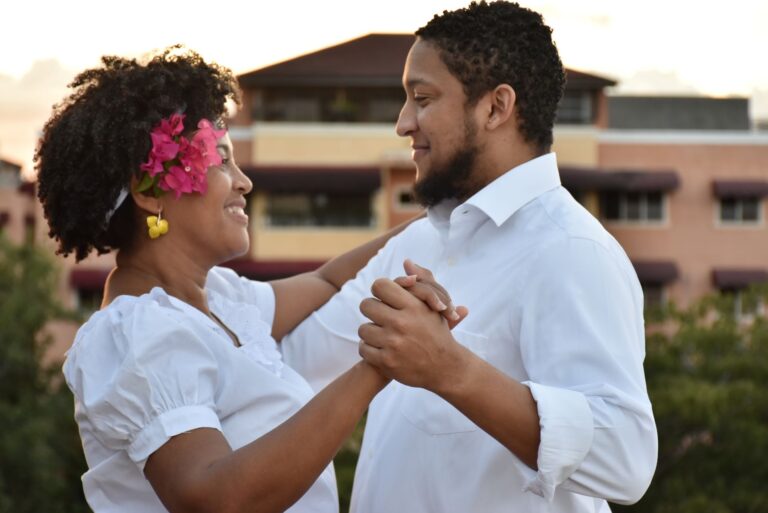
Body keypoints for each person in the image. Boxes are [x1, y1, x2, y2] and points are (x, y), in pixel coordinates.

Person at [34, 47, 460, 513]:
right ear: (148, 193)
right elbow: (214, 498)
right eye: (219, 160)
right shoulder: (138, 332)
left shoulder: (217, 297)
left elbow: (327, 283)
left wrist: (444, 214)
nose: (244, 182)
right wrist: (379, 362)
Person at [281, 2, 658, 512]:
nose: (402, 123)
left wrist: (451, 369)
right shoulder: (416, 245)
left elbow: (627, 458)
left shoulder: (571, 251)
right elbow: (294, 360)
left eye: (422, 98)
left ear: (496, 108)